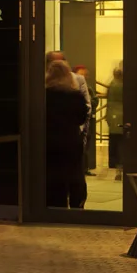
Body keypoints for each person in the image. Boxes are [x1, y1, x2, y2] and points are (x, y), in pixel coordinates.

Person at [44, 58, 90, 208]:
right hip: (71, 140)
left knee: (54, 176)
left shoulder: (44, 95)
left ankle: (57, 206)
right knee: (75, 174)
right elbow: (82, 117)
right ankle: (77, 205)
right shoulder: (75, 96)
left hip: (49, 140)